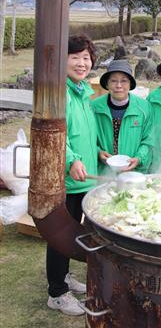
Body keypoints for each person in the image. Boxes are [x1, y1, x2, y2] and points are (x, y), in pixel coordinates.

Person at [46, 34, 97, 316]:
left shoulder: (83, 91)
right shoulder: (60, 92)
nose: (81, 63)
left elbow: (85, 133)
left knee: (72, 232)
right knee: (59, 235)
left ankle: (63, 277)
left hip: (84, 178)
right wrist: (71, 161)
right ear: (64, 61)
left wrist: (98, 153)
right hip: (67, 178)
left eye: (86, 58)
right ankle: (56, 293)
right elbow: (57, 135)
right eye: (75, 57)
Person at [92, 60, 152, 174]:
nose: (118, 85)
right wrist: (98, 152)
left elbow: (148, 140)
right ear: (107, 84)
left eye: (124, 81)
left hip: (134, 172)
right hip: (104, 173)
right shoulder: (94, 107)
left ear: (130, 84)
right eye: (113, 80)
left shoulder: (144, 108)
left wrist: (139, 158)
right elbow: (88, 138)